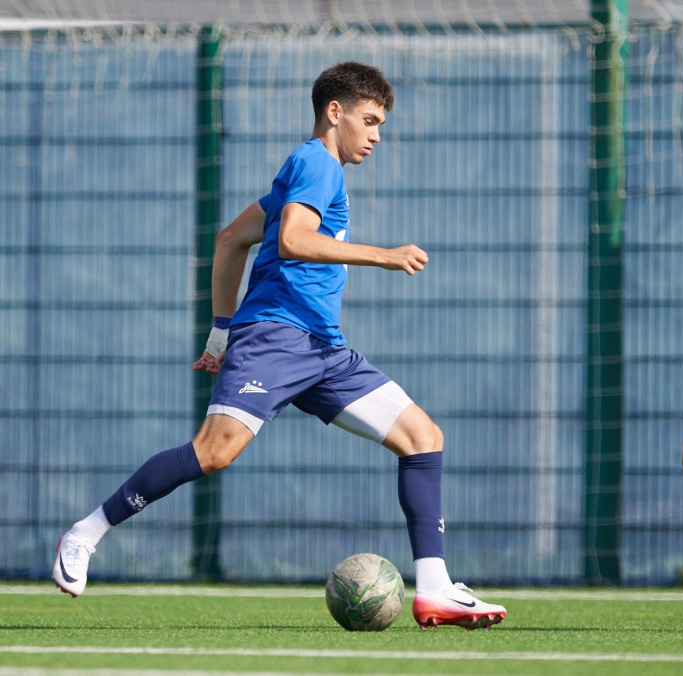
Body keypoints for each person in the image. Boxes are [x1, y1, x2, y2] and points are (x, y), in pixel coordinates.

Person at [52, 61, 506, 631]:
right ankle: (87, 531)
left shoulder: (303, 170)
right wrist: (383, 254)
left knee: (423, 437)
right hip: (277, 337)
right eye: (369, 120)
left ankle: (435, 589)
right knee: (214, 452)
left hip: (321, 349)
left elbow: (230, 241)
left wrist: (220, 331)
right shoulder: (318, 162)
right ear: (334, 112)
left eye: (381, 124)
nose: (376, 136)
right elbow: (292, 241)